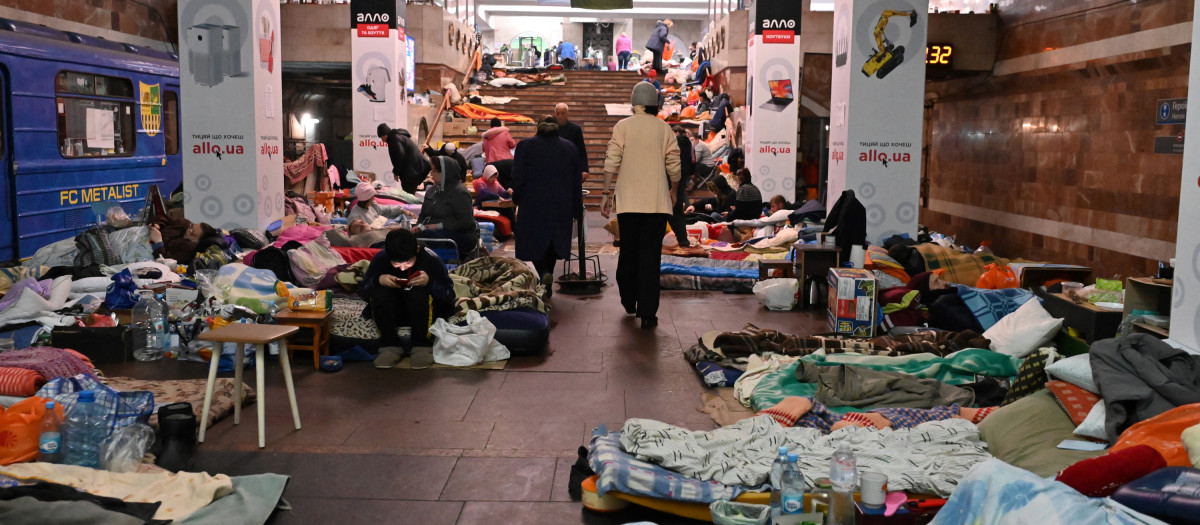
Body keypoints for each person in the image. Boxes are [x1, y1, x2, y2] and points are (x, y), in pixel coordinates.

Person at [600, 82, 681, 329]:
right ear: (655, 103)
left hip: (628, 202)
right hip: (657, 203)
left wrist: (605, 193)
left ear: (633, 102)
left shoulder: (622, 127)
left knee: (628, 252)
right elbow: (674, 163)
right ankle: (648, 314)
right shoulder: (664, 128)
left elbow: (611, 160)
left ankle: (628, 299)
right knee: (650, 257)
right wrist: (674, 190)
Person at [359, 229, 456, 370]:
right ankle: (390, 345)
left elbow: (449, 295)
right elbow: (362, 292)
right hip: (393, 311)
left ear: (417, 250)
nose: (403, 269)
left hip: (423, 311)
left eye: (408, 263)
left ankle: (422, 345)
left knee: (419, 293)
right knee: (380, 293)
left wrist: (430, 282)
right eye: (397, 265)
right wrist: (377, 280)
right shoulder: (381, 258)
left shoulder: (431, 258)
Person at [512, 116, 584, 292]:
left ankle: (543, 272)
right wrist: (576, 208)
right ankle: (547, 274)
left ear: (538, 128)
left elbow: (518, 175)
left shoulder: (525, 146)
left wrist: (517, 198)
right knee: (553, 243)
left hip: (533, 204)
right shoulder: (569, 147)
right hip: (561, 204)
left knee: (534, 242)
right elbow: (577, 181)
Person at [414, 154, 479, 257]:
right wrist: (419, 226)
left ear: (445, 172)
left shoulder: (460, 192)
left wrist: (438, 226)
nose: (432, 174)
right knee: (407, 236)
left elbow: (465, 222)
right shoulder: (431, 191)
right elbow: (423, 215)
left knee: (428, 236)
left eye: (435, 171)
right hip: (432, 232)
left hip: (461, 235)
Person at [377, 123, 429, 193]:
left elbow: (399, 156)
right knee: (410, 193)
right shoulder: (399, 136)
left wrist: (396, 172)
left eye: (381, 137)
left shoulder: (394, 139)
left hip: (411, 171)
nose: (382, 140)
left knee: (408, 195)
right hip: (416, 168)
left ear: (385, 134)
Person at [667, 126, 695, 247]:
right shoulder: (688, 142)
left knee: (674, 208)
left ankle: (682, 238)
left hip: (674, 176)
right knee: (677, 207)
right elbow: (692, 160)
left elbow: (674, 161)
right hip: (683, 176)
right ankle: (683, 239)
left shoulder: (678, 142)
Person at [148, 219, 220, 266]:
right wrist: (158, 224)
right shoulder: (184, 224)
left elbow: (165, 261)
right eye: (191, 227)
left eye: (192, 234)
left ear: (197, 241)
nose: (189, 230)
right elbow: (164, 217)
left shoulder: (189, 248)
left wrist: (158, 242)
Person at [348, 181, 416, 226]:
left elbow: (387, 209)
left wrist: (403, 211)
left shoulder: (372, 206)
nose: (374, 198)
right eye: (372, 197)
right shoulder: (355, 217)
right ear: (368, 199)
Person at [554, 103, 589, 181]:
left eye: (562, 113)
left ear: (567, 114)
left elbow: (581, 150)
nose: (560, 116)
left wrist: (584, 169)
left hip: (570, 166)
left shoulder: (575, 129)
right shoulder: (550, 128)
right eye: (558, 113)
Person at [323, 219, 395, 248]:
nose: (362, 225)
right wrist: (344, 228)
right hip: (388, 245)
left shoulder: (378, 229)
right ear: (353, 235)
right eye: (358, 227)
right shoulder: (358, 238)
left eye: (362, 222)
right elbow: (330, 234)